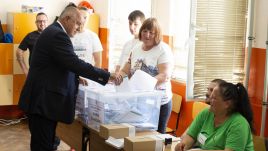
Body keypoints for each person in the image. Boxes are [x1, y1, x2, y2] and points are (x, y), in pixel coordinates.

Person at [18, 6, 120, 151]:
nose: (79, 28)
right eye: (77, 23)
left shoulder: (53, 31)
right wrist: (107, 75)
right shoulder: (58, 35)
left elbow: (59, 65)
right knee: (42, 146)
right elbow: (74, 63)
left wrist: (76, 78)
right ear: (67, 19)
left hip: (42, 102)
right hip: (42, 103)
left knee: (45, 144)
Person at [117, 18, 174, 134]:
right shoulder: (136, 48)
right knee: (139, 134)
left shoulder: (163, 49)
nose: (147, 35)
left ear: (157, 34)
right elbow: (125, 70)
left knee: (156, 137)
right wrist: (117, 77)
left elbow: (165, 75)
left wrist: (144, 84)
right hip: (138, 101)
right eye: (144, 31)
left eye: (151, 32)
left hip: (159, 103)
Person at [175, 82, 254, 151]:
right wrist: (183, 145)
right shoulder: (206, 113)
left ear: (227, 104)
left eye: (214, 98)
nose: (209, 101)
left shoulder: (239, 123)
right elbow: (191, 135)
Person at [16, 12, 48, 77]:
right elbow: (19, 51)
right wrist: (25, 70)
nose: (42, 23)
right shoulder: (30, 36)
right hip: (35, 73)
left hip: (50, 73)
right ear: (36, 22)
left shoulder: (53, 35)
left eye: (44, 21)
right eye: (39, 21)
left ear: (47, 22)